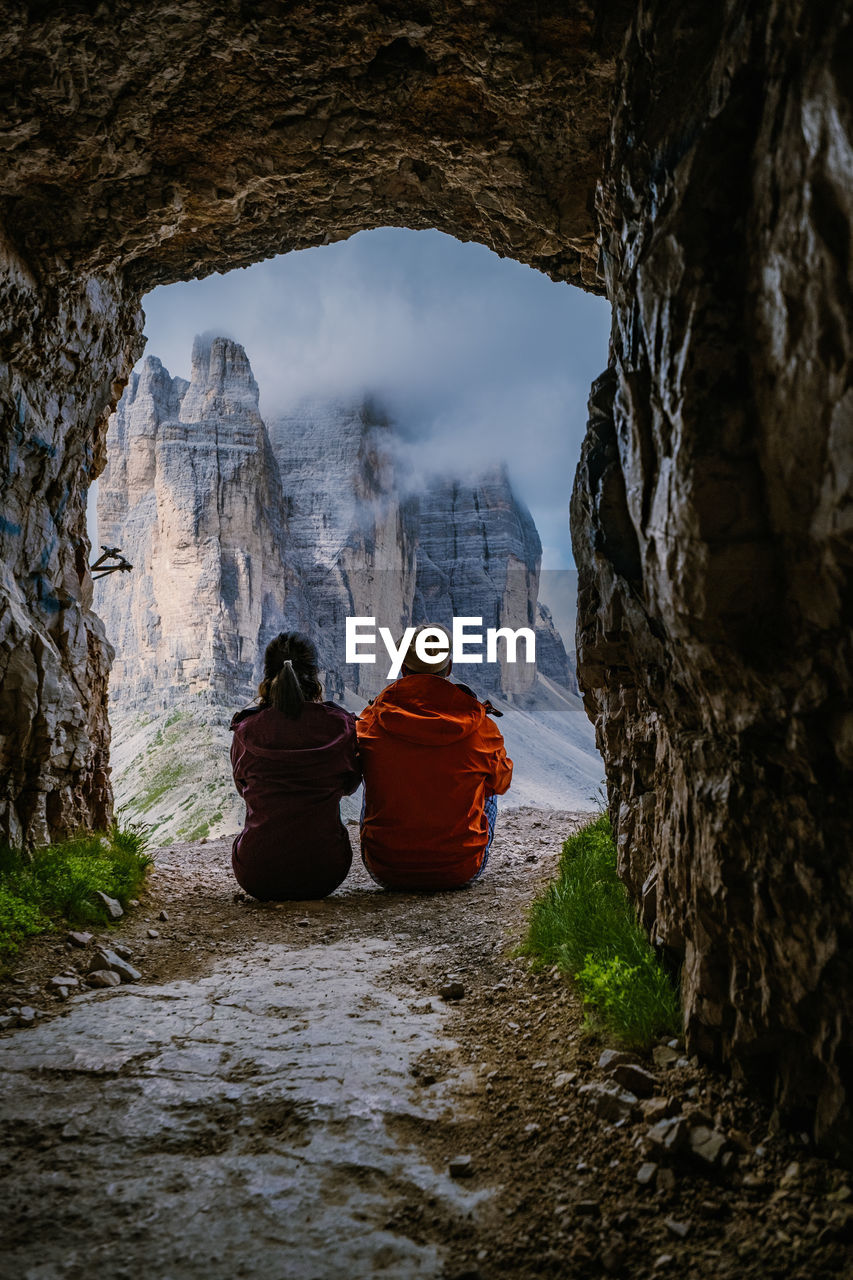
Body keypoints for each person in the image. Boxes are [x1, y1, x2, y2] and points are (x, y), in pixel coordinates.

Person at [357, 624, 513, 890]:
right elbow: (502, 783)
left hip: (385, 868)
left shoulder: (371, 720)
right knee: (488, 781)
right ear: (448, 668)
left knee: (371, 772)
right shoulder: (480, 726)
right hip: (460, 869)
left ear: (403, 669)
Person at [230, 632, 361, 900]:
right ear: (315, 676)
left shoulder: (245, 731)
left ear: (267, 675)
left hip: (257, 874)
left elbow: (243, 787)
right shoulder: (341, 726)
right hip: (326, 872)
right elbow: (350, 786)